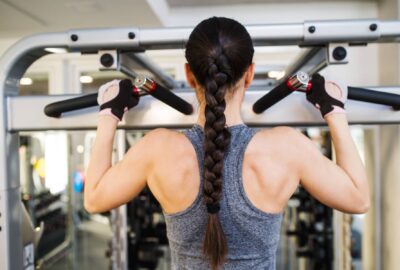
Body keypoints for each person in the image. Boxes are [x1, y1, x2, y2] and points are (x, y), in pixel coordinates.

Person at [84, 17, 369, 270]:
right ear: (249, 74)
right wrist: (334, 111)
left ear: (189, 74)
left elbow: (94, 198)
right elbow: (358, 199)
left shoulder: (157, 149)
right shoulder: (286, 148)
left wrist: (109, 114)